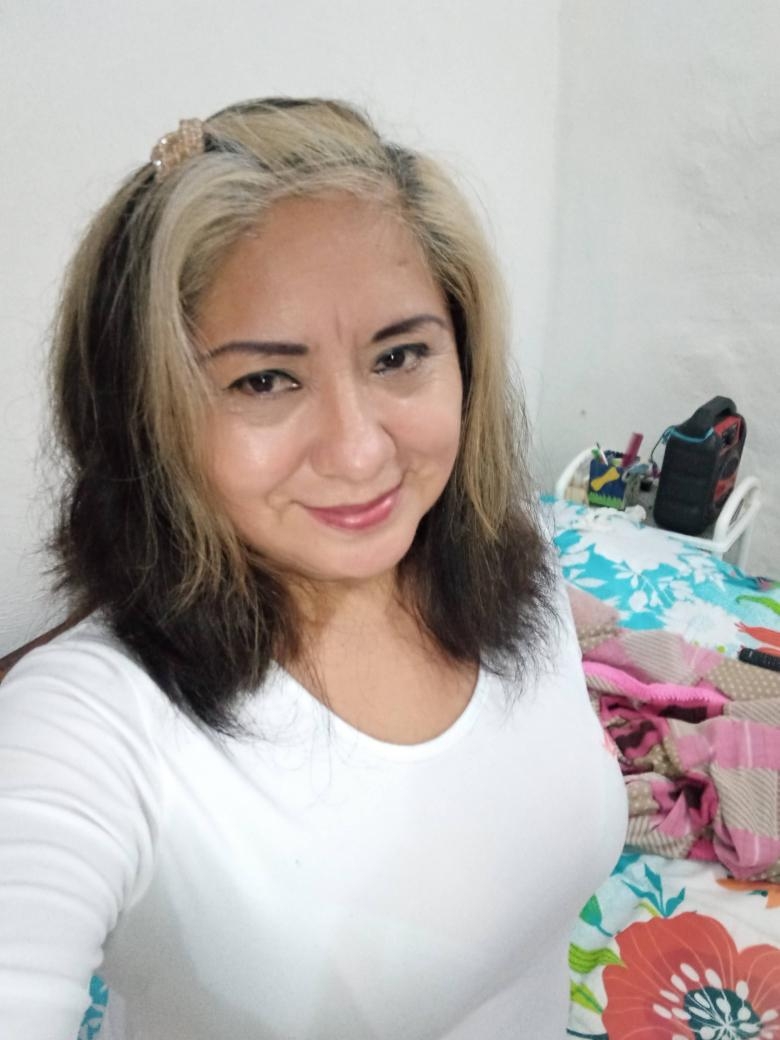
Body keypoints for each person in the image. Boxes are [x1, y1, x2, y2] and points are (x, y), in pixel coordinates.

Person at [0, 97, 627, 1039]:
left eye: (400, 355)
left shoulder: (515, 554)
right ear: (146, 418)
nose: (360, 451)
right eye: (264, 380)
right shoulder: (84, 726)